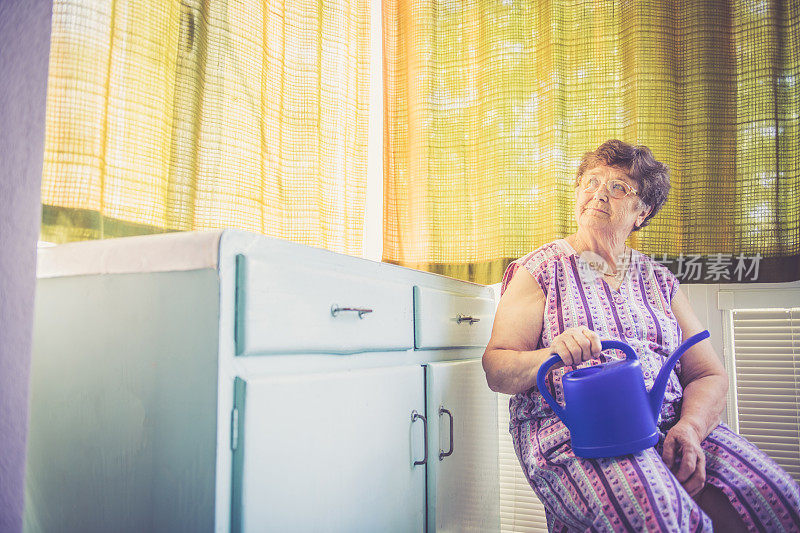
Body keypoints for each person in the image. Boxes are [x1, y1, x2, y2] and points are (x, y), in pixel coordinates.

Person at [482, 139, 800, 532]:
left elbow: (707, 374)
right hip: (580, 430)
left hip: (668, 423)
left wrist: (690, 430)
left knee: (779, 500)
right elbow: (497, 367)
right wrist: (551, 353)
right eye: (591, 182)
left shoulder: (659, 279)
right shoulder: (542, 269)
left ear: (642, 211)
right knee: (659, 519)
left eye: (618, 187)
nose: (599, 193)